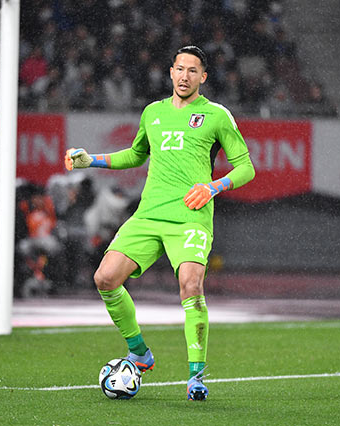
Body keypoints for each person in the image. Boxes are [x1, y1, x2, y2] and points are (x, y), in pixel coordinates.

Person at [64, 46, 255, 400]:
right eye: (180, 69)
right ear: (170, 72)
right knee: (105, 278)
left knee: (191, 285)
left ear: (203, 77)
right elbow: (135, 155)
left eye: (192, 71)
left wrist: (213, 187)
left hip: (190, 216)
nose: (185, 76)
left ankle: (196, 377)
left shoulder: (216, 115)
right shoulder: (152, 112)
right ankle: (139, 352)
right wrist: (91, 160)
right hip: (149, 214)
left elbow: (246, 168)